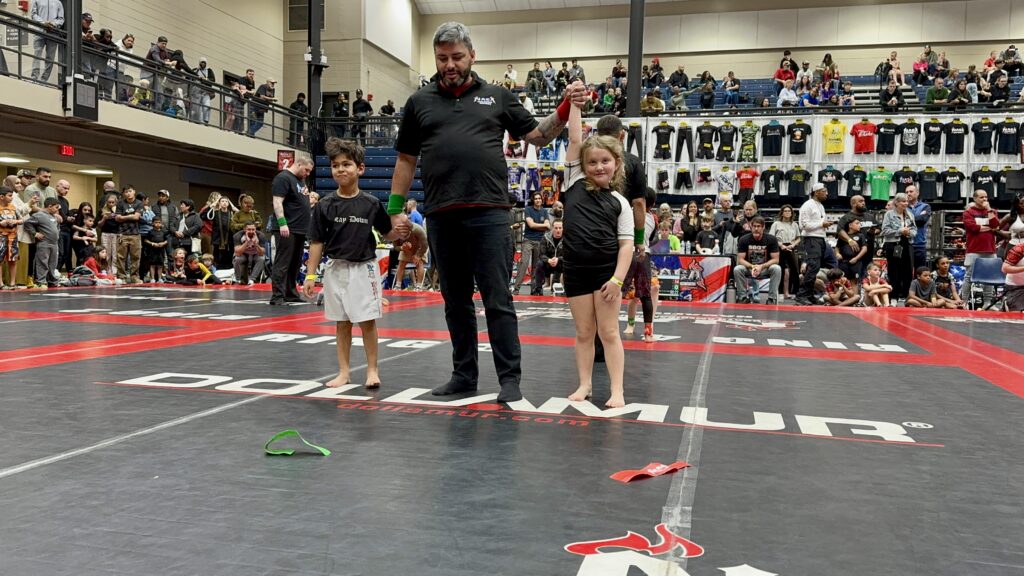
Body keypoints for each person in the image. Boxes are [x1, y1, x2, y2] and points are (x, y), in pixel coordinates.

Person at [388, 22, 587, 403]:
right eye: (442, 58)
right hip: (442, 215)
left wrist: (565, 106)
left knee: (498, 298)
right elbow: (405, 159)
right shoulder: (420, 101)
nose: (450, 64)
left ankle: (509, 380)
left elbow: (538, 136)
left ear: (472, 56)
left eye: (457, 57)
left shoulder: (497, 96)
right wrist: (396, 210)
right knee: (455, 300)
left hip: (491, 213)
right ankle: (463, 375)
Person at [303, 138, 406, 389]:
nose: (340, 169)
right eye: (335, 165)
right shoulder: (325, 205)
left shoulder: (371, 203)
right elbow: (316, 242)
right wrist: (310, 275)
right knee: (342, 322)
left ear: (360, 168)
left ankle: (372, 370)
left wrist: (400, 233)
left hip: (364, 269)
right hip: (336, 268)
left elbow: (387, 233)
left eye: (346, 164)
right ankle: (344, 372)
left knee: (367, 321)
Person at [561, 92, 632, 408]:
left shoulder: (620, 202)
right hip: (575, 270)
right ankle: (585, 384)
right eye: (592, 162)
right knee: (583, 332)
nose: (598, 166)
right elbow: (575, 137)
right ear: (583, 165)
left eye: (605, 161)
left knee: (609, 332)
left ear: (616, 164)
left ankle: (617, 390)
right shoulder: (573, 181)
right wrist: (575, 104)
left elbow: (627, 245)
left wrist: (617, 280)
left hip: (606, 275)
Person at [269, 155, 314, 305]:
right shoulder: (283, 178)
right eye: (306, 170)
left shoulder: (300, 180)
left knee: (294, 263)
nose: (307, 174)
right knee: (282, 262)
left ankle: (290, 293)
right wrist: (282, 223)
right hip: (287, 228)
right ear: (299, 164)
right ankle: (277, 296)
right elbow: (277, 202)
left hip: (300, 229)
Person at [960, 189, 1000, 306]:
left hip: (990, 249)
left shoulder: (992, 211)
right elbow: (973, 228)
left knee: (989, 277)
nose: (984, 200)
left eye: (986, 197)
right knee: (969, 276)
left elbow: (996, 225)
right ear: (975, 198)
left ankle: (987, 303)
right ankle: (964, 302)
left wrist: (989, 210)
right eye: (982, 197)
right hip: (973, 249)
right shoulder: (968, 212)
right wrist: (990, 229)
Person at [733, 216, 782, 304]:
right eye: (754, 226)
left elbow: (776, 260)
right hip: (750, 268)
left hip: (765, 268)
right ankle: (742, 297)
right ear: (751, 227)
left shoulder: (771, 239)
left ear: (763, 227)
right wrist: (752, 266)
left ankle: (771, 299)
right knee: (738, 269)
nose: (756, 229)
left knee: (776, 268)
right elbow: (740, 260)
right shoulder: (743, 239)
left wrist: (762, 266)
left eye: (758, 226)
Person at [795, 183, 829, 305]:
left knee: (815, 268)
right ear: (816, 192)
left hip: (819, 238)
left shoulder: (820, 205)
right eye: (824, 191)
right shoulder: (807, 205)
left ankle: (809, 294)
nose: (827, 194)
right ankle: (802, 295)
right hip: (810, 239)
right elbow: (803, 225)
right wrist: (821, 224)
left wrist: (823, 225)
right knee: (812, 267)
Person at [881, 192, 917, 302]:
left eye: (907, 201)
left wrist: (909, 233)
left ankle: (906, 296)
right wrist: (899, 231)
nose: (906, 203)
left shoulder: (910, 214)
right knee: (894, 271)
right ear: (896, 203)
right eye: (903, 201)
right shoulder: (889, 214)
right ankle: (894, 296)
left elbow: (915, 230)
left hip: (907, 244)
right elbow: (885, 231)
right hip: (894, 244)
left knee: (908, 271)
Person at [513, 192, 550, 294]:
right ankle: (516, 289)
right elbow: (531, 225)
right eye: (536, 198)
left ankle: (534, 290)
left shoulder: (544, 211)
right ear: (533, 200)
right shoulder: (528, 209)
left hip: (540, 241)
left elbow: (548, 226)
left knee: (536, 267)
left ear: (542, 200)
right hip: (528, 240)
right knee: (523, 264)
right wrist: (542, 225)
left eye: (539, 198)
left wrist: (535, 224)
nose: (538, 200)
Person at [23, 197, 61, 289]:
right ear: (50, 206)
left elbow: (56, 228)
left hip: (54, 243)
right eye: (56, 208)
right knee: (42, 262)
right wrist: (35, 233)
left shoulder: (53, 216)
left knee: (53, 263)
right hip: (44, 243)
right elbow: (27, 223)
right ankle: (41, 281)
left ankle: (52, 281)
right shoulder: (39, 215)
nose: (57, 210)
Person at [769, 204, 801, 299]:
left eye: (789, 211)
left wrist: (793, 244)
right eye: (785, 211)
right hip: (780, 247)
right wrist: (781, 245)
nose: (787, 213)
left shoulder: (794, 224)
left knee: (795, 269)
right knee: (780, 270)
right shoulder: (776, 224)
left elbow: (799, 238)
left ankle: (795, 292)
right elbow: (772, 237)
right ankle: (780, 293)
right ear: (782, 213)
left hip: (791, 246)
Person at [115, 186, 144, 284]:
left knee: (135, 257)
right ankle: (121, 276)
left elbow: (136, 217)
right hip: (122, 233)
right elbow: (117, 218)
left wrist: (124, 217)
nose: (128, 193)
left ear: (134, 192)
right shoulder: (120, 203)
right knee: (121, 257)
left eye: (130, 191)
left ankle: (134, 276)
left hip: (135, 234)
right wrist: (130, 216)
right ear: (124, 193)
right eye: (126, 192)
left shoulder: (139, 203)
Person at [531, 219, 564, 295]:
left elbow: (569, 255)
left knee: (570, 263)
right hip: (548, 264)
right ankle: (538, 289)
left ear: (563, 228)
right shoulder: (545, 237)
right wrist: (548, 260)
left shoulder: (567, 238)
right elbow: (541, 254)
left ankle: (567, 289)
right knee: (539, 263)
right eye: (556, 228)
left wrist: (558, 259)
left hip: (560, 263)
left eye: (560, 228)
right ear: (552, 228)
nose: (558, 230)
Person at [0, 186, 23, 289]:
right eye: (9, 196)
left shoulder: (13, 207)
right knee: (0, 260)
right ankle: (1, 284)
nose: (11, 198)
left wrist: (15, 221)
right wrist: (1, 223)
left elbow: (21, 220)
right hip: (1, 236)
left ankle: (12, 283)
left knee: (13, 259)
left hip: (13, 236)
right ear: (1, 197)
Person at [1002, 240, 1024, 311]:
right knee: (1017, 317)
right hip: (1016, 286)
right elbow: (1005, 268)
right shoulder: (1019, 249)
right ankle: (1007, 302)